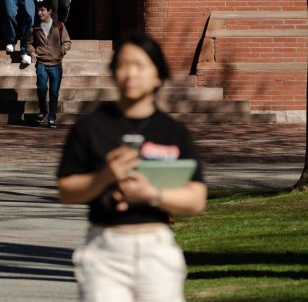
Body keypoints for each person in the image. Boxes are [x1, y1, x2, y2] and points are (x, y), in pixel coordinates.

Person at [57, 32, 207, 302]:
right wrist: (104, 177)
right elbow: (67, 191)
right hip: (105, 249)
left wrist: (152, 193)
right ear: (114, 72)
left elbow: (196, 200)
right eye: (123, 64)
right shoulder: (91, 128)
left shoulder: (174, 133)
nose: (131, 73)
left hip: (156, 248)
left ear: (158, 75)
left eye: (140, 65)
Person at [26, 0, 71, 129]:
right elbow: (28, 44)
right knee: (41, 89)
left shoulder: (59, 26)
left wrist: (60, 51)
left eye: (42, 10)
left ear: (50, 11)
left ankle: (51, 118)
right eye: (38, 10)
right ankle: (43, 111)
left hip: (56, 65)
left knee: (54, 92)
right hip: (41, 63)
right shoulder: (35, 28)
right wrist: (32, 52)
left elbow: (67, 42)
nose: (40, 13)